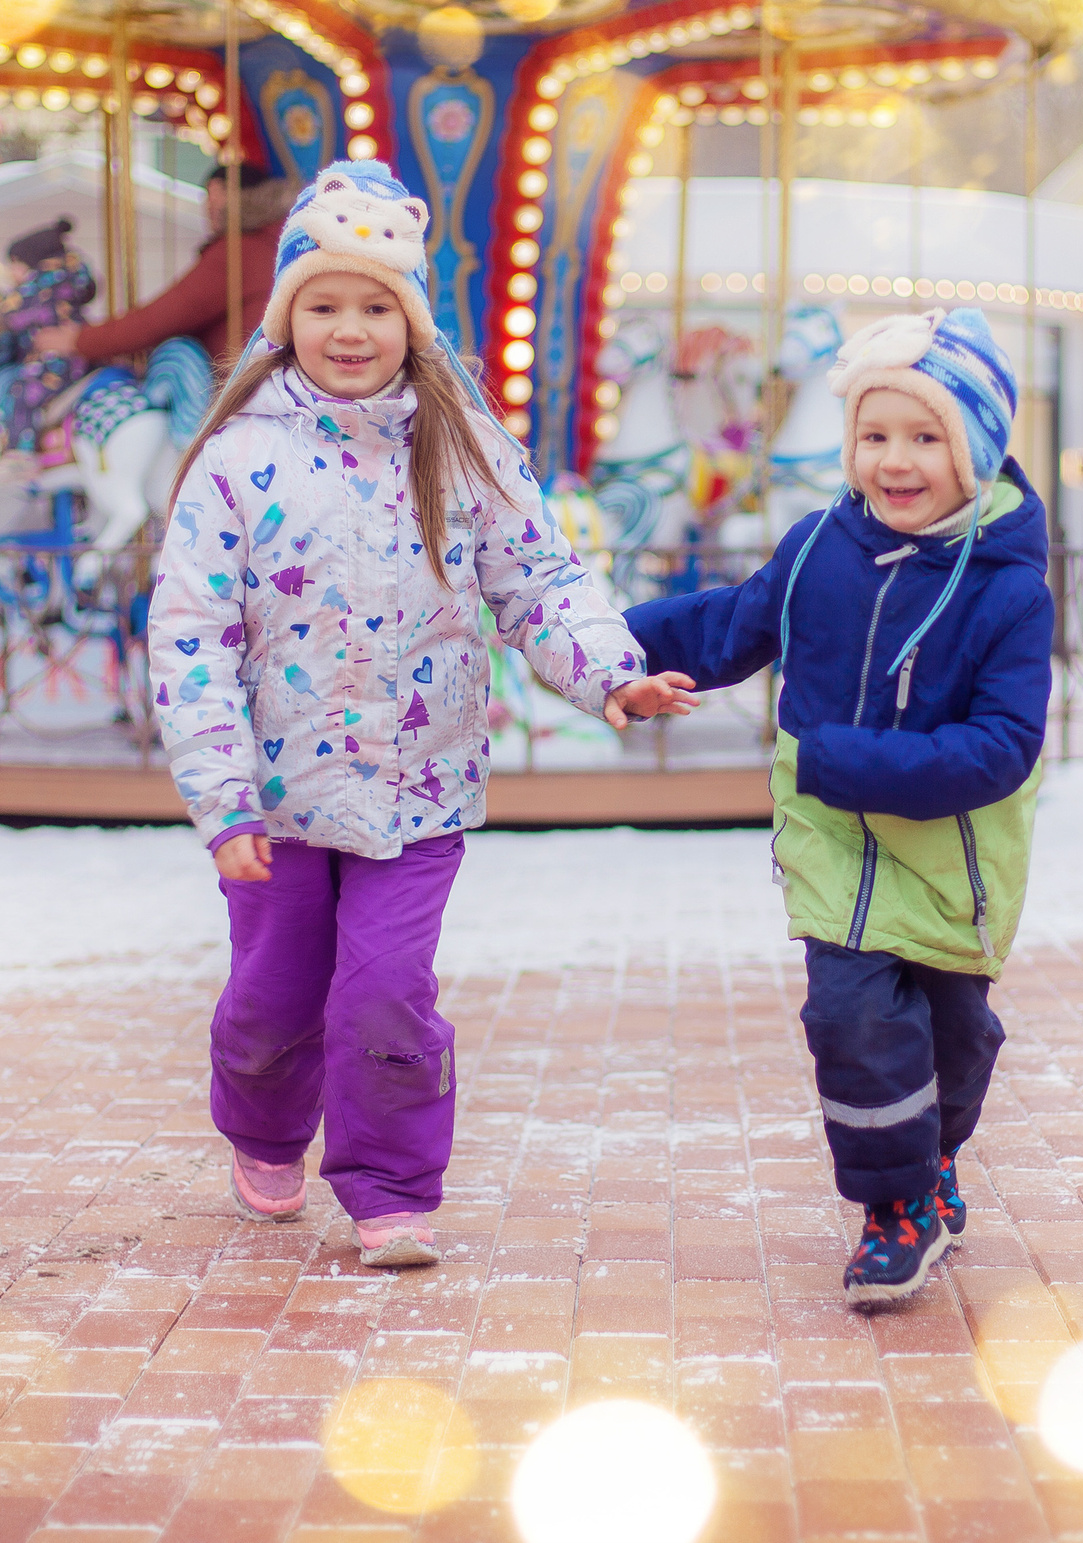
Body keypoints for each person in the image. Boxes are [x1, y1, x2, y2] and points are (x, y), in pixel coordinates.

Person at [147, 160, 700, 1266]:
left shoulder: (460, 445)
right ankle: (261, 1124)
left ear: (412, 321)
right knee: (269, 1004)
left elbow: (537, 579)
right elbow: (191, 634)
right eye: (324, 304)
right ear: (284, 316)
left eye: (375, 307)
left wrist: (608, 672)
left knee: (388, 996)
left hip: (417, 787)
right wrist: (221, 794)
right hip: (275, 799)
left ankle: (392, 1184)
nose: (349, 330)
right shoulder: (236, 461)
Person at [624, 308, 1051, 1307]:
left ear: (976, 449)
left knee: (954, 1035)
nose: (894, 460)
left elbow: (1003, 746)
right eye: (874, 434)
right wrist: (603, 638)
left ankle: (937, 1148)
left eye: (925, 436)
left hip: (952, 854)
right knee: (852, 1018)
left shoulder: (1007, 592)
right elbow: (724, 624)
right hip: (830, 846)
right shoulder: (819, 547)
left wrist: (843, 761)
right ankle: (893, 1208)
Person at [30, 161, 292, 377]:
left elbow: (162, 318)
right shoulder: (277, 241)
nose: (208, 211)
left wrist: (78, 341)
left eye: (214, 201)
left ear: (236, 199)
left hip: (239, 385)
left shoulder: (239, 250)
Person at [0, 217, 95, 452]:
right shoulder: (69, 280)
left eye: (14, 264)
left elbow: (7, 315)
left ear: (29, 262)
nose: (10, 271)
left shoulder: (37, 290)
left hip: (56, 360)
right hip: (80, 359)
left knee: (22, 394)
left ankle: (20, 453)